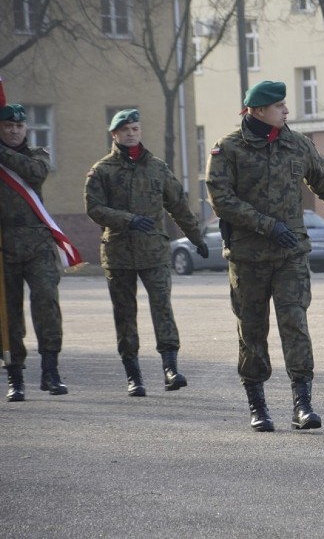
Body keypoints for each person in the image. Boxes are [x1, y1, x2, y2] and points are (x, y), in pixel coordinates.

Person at [206, 80, 324, 433]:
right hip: (248, 257)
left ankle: (302, 404)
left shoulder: (297, 145)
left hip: (290, 253)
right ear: (258, 110)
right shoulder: (228, 149)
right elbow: (221, 200)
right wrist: (265, 225)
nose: (286, 111)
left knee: (295, 324)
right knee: (252, 331)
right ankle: (257, 405)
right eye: (280, 106)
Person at [84, 109, 209, 397]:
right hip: (118, 253)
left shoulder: (157, 168)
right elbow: (94, 208)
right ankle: (134, 375)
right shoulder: (102, 170)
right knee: (125, 314)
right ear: (114, 134)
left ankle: (170, 369)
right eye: (125, 129)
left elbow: (177, 204)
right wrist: (127, 219)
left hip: (153, 250)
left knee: (162, 307)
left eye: (135, 128)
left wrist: (196, 238)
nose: (131, 133)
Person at [0, 101, 73, 401]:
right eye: (8, 126)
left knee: (46, 305)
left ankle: (50, 372)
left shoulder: (37, 154)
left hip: (38, 245)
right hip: (4, 247)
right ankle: (15, 376)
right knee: (8, 313)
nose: (14, 130)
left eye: (19, 126)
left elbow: (34, 173)